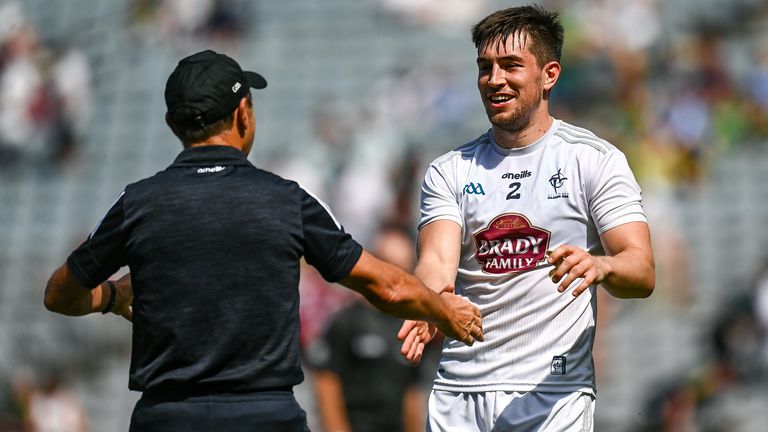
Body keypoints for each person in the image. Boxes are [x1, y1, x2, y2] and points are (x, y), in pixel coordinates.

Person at [43, 49, 483, 432]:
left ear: (171, 123)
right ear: (243, 114)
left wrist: (113, 295)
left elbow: (59, 293)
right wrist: (442, 309)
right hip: (264, 417)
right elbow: (383, 285)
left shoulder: (136, 203)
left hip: (167, 418)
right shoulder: (286, 200)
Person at [398, 5, 655, 431]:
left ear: (549, 75)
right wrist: (427, 300)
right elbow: (436, 263)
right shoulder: (450, 169)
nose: (494, 79)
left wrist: (601, 265)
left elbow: (641, 270)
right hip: (458, 394)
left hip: (551, 394)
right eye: (485, 67)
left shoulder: (594, 160)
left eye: (511, 65)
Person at [309, 222, 439, 432]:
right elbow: (326, 385)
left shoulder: (411, 327)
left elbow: (412, 395)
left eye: (403, 269)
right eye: (389, 265)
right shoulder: (347, 321)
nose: (397, 278)